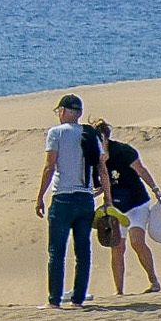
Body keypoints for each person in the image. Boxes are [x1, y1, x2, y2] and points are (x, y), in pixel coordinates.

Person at [35, 93, 112, 309]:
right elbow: (102, 169)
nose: (58, 114)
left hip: (63, 199)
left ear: (66, 111)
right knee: (82, 251)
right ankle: (78, 300)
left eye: (59, 110)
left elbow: (50, 166)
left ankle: (54, 301)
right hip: (85, 199)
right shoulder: (91, 134)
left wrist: (40, 196)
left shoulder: (56, 133)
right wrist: (107, 197)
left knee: (56, 252)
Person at [92, 119, 161, 294]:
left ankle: (154, 282)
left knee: (137, 242)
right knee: (117, 248)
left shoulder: (124, 152)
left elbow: (141, 170)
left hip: (137, 202)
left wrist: (156, 190)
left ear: (106, 138)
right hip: (115, 207)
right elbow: (101, 185)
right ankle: (119, 292)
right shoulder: (94, 160)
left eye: (100, 139)